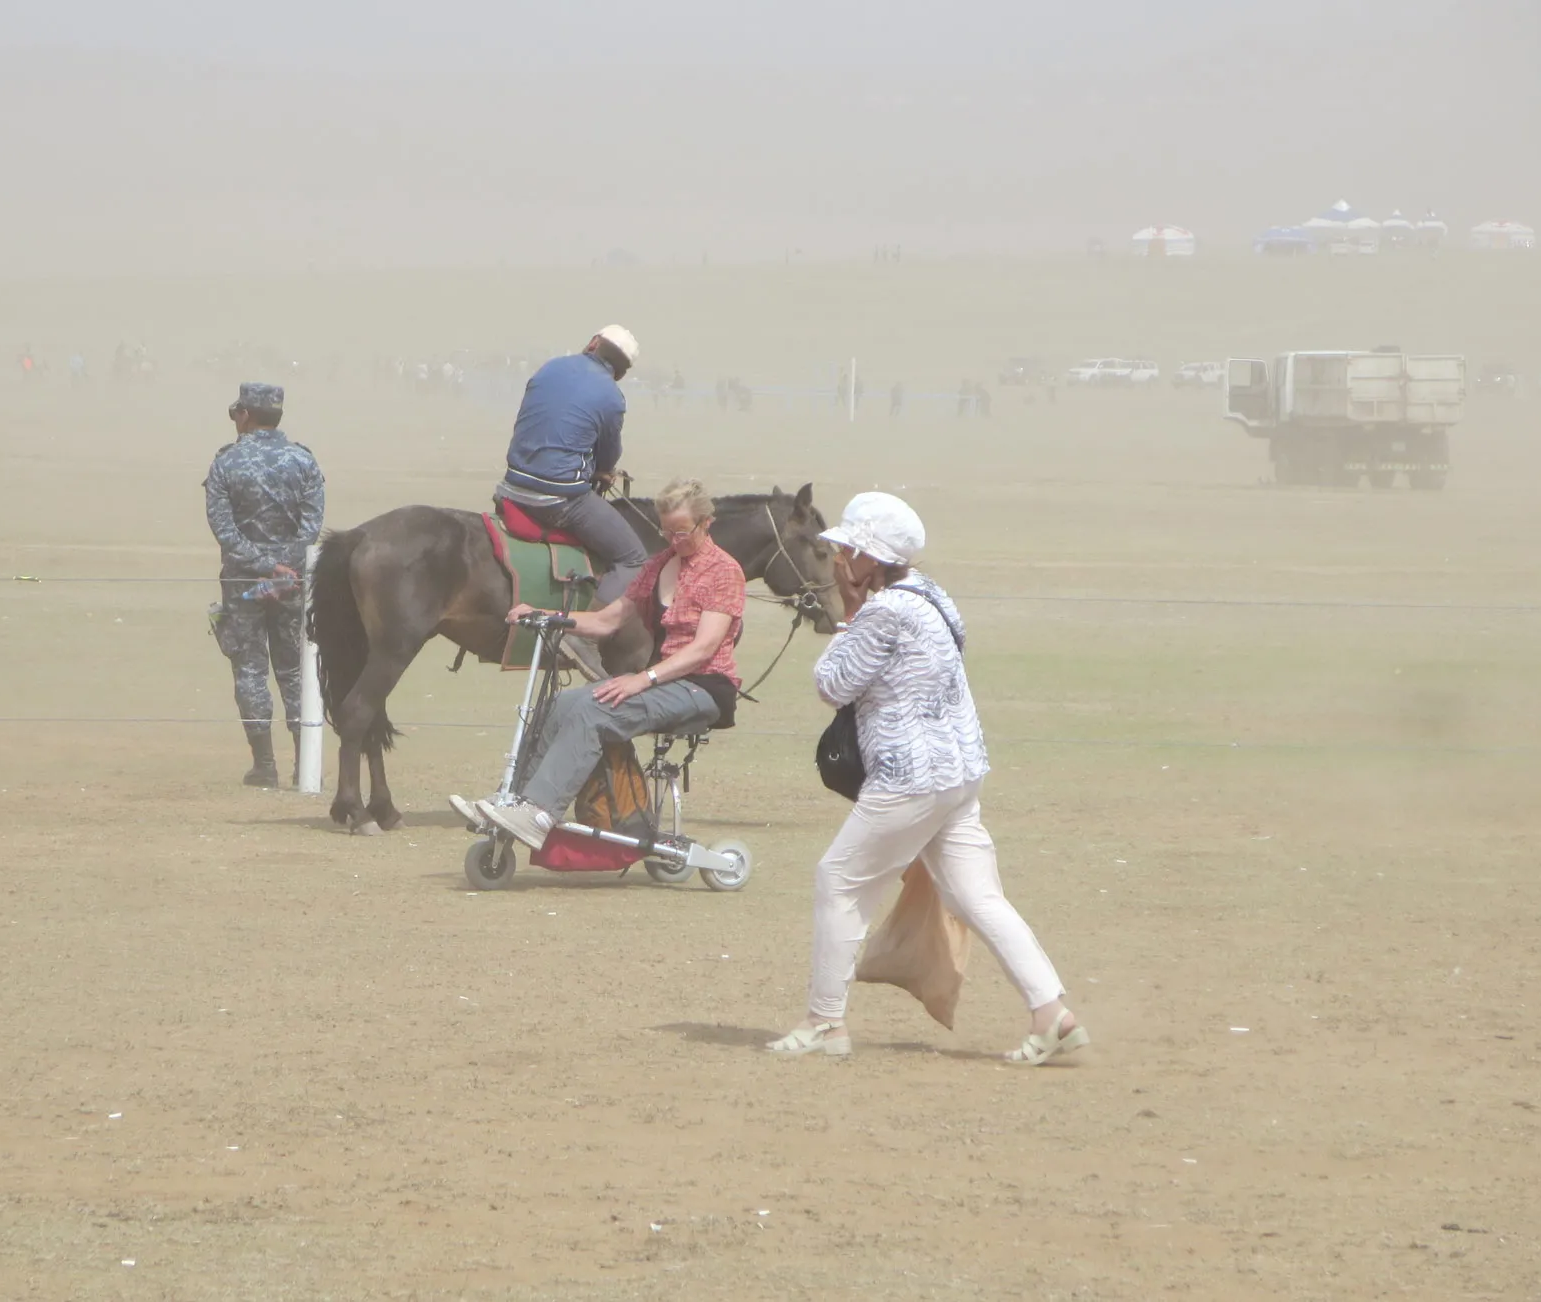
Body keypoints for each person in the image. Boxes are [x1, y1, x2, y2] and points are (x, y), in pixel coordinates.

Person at [768, 492, 1086, 1065]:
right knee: (978, 897)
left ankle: (824, 1022)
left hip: (909, 776)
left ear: (871, 558)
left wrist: (849, 612)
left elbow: (831, 684)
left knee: (838, 881)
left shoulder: (884, 613)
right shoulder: (931, 593)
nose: (839, 559)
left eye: (848, 550)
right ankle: (1052, 1014)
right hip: (959, 771)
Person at [465, 477, 745, 848]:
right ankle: (510, 801)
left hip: (703, 686)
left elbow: (703, 648)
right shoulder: (658, 566)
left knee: (595, 709)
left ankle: (540, 812)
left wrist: (641, 679)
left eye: (682, 532)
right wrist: (547, 615)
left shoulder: (723, 571)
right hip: (662, 681)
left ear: (706, 523)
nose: (672, 541)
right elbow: (606, 621)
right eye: (666, 532)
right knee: (559, 704)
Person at [204, 382, 325, 788]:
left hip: (243, 583)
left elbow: (224, 530)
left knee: (250, 669)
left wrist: (263, 566)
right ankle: (304, 765)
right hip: (293, 584)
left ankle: (265, 765)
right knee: (295, 672)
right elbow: (311, 528)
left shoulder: (226, 463)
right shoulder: (303, 461)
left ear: (245, 415)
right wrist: (284, 570)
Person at [497, 326, 649, 604]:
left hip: (510, 486)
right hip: (559, 501)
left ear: (593, 343)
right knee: (634, 559)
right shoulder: (612, 396)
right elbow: (608, 455)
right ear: (621, 374)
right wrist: (603, 471)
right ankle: (590, 626)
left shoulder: (550, 367)